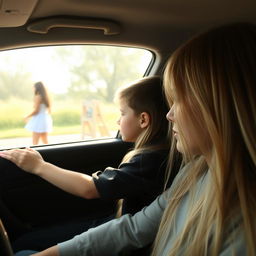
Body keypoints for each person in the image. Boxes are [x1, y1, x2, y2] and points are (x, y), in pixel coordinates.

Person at [11, 22, 256, 256]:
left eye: (178, 100)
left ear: (218, 106)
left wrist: (39, 166)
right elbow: (133, 228)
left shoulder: (244, 225)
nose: (170, 115)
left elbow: (92, 191)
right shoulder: (194, 173)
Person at [0, 76, 175, 253]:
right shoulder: (152, 155)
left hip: (125, 237)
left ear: (143, 120)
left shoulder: (150, 160)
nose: (117, 120)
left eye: (122, 113)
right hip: (115, 222)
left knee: (22, 250)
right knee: (24, 243)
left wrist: (39, 166)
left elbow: (89, 189)